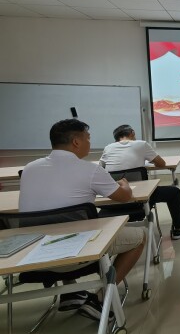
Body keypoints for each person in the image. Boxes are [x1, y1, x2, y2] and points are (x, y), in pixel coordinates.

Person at [19, 119, 145, 322]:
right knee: (140, 236)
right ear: (76, 142)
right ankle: (100, 300)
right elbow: (123, 197)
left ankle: (71, 292)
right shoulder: (90, 170)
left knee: (58, 225)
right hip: (77, 254)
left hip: (29, 256)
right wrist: (126, 186)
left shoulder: (29, 169)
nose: (89, 142)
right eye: (88, 138)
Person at [99, 125, 180, 240]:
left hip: (113, 201)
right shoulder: (141, 144)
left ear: (116, 138)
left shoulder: (108, 148)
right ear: (132, 133)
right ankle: (179, 229)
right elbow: (161, 164)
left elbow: (101, 168)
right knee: (174, 192)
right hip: (139, 201)